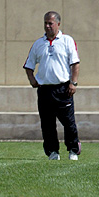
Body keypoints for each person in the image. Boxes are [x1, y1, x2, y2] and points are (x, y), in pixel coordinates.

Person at [24, 11, 81, 160]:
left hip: (63, 89)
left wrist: (73, 83)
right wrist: (32, 80)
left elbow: (75, 63)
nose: (47, 26)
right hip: (44, 90)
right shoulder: (38, 44)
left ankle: (73, 150)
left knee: (69, 123)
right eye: (45, 23)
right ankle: (52, 152)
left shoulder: (67, 41)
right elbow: (29, 66)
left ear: (58, 24)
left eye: (50, 23)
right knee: (47, 124)